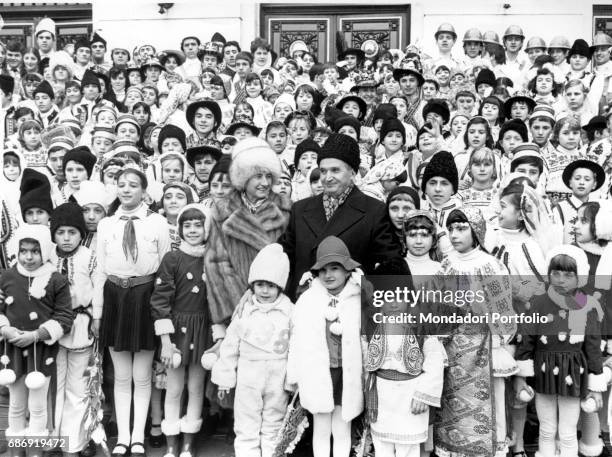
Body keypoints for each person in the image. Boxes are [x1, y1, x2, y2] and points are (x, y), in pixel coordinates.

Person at [93, 168, 171, 457]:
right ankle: (123, 437)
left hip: (145, 297)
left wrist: (163, 311)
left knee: (142, 374)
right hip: (115, 298)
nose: (126, 190)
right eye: (121, 185)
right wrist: (98, 313)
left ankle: (138, 436)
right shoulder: (106, 225)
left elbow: (165, 268)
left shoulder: (157, 223)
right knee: (121, 374)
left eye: (133, 185)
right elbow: (101, 269)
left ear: (144, 191)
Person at [434, 207, 516, 457]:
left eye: (461, 228)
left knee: (489, 404)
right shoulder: (446, 264)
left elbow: (503, 308)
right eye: (451, 229)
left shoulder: (490, 265)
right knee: (452, 405)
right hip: (451, 346)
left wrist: (498, 335)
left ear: (476, 230)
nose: (454, 235)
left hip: (484, 346)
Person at [280, 133, 400, 299]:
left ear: (353, 173)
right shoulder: (300, 210)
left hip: (351, 308)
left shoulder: (374, 211)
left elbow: (389, 266)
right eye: (323, 171)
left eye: (335, 170)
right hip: (304, 306)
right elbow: (283, 259)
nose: (327, 178)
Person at [515, 245, 606, 457]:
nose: (560, 280)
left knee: (567, 432)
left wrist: (596, 386)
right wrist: (521, 377)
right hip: (543, 373)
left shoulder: (588, 306)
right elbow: (527, 340)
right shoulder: (538, 302)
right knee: (546, 430)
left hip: (573, 375)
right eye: (555, 273)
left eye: (568, 274)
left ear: (580, 276)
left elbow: (593, 348)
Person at [204, 137, 290, 339]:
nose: (265, 182)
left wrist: (266, 293)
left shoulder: (286, 208)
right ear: (243, 176)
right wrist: (244, 298)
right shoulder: (222, 210)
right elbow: (216, 261)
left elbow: (289, 257)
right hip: (237, 308)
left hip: (276, 304)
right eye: (258, 176)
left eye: (269, 176)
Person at [212, 243, 293, 457]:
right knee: (246, 424)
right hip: (249, 376)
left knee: (274, 424)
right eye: (259, 285)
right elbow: (230, 346)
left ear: (280, 287)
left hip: (278, 376)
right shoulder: (244, 311)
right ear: (252, 286)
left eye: (271, 285)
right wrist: (225, 378)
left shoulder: (289, 312)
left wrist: (293, 379)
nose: (265, 291)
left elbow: (296, 348)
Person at [287, 236, 364, 457]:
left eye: (335, 268)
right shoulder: (309, 300)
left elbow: (368, 340)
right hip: (318, 374)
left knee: (342, 428)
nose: (328, 275)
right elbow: (296, 340)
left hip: (347, 375)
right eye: (323, 270)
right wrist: (293, 376)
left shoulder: (358, 300)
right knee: (320, 429)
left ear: (348, 271)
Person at [0, 224, 73, 457]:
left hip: (41, 352)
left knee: (38, 406)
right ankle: (15, 452)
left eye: (35, 251)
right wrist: (5, 329)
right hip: (11, 350)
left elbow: (64, 317)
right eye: (23, 251)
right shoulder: (6, 276)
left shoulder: (56, 280)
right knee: (16, 403)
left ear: (44, 251)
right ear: (16, 251)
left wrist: (36, 335)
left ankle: (34, 452)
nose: (29, 257)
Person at [151, 204, 211, 457]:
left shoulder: (212, 258)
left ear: (206, 227)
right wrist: (166, 341)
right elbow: (160, 299)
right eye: (187, 225)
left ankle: (188, 443)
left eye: (198, 225)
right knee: (174, 388)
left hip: (203, 328)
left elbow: (218, 299)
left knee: (196, 387)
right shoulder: (172, 259)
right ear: (180, 229)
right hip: (176, 330)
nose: (193, 230)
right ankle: (172, 442)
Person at [49, 202, 98, 457]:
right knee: (52, 386)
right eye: (60, 232)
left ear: (81, 234)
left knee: (77, 388)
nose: (66, 238)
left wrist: (96, 319)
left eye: (72, 232)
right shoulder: (46, 256)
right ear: (53, 234)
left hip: (80, 326)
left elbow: (98, 291)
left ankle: (73, 444)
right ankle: (51, 440)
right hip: (52, 330)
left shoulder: (89, 257)